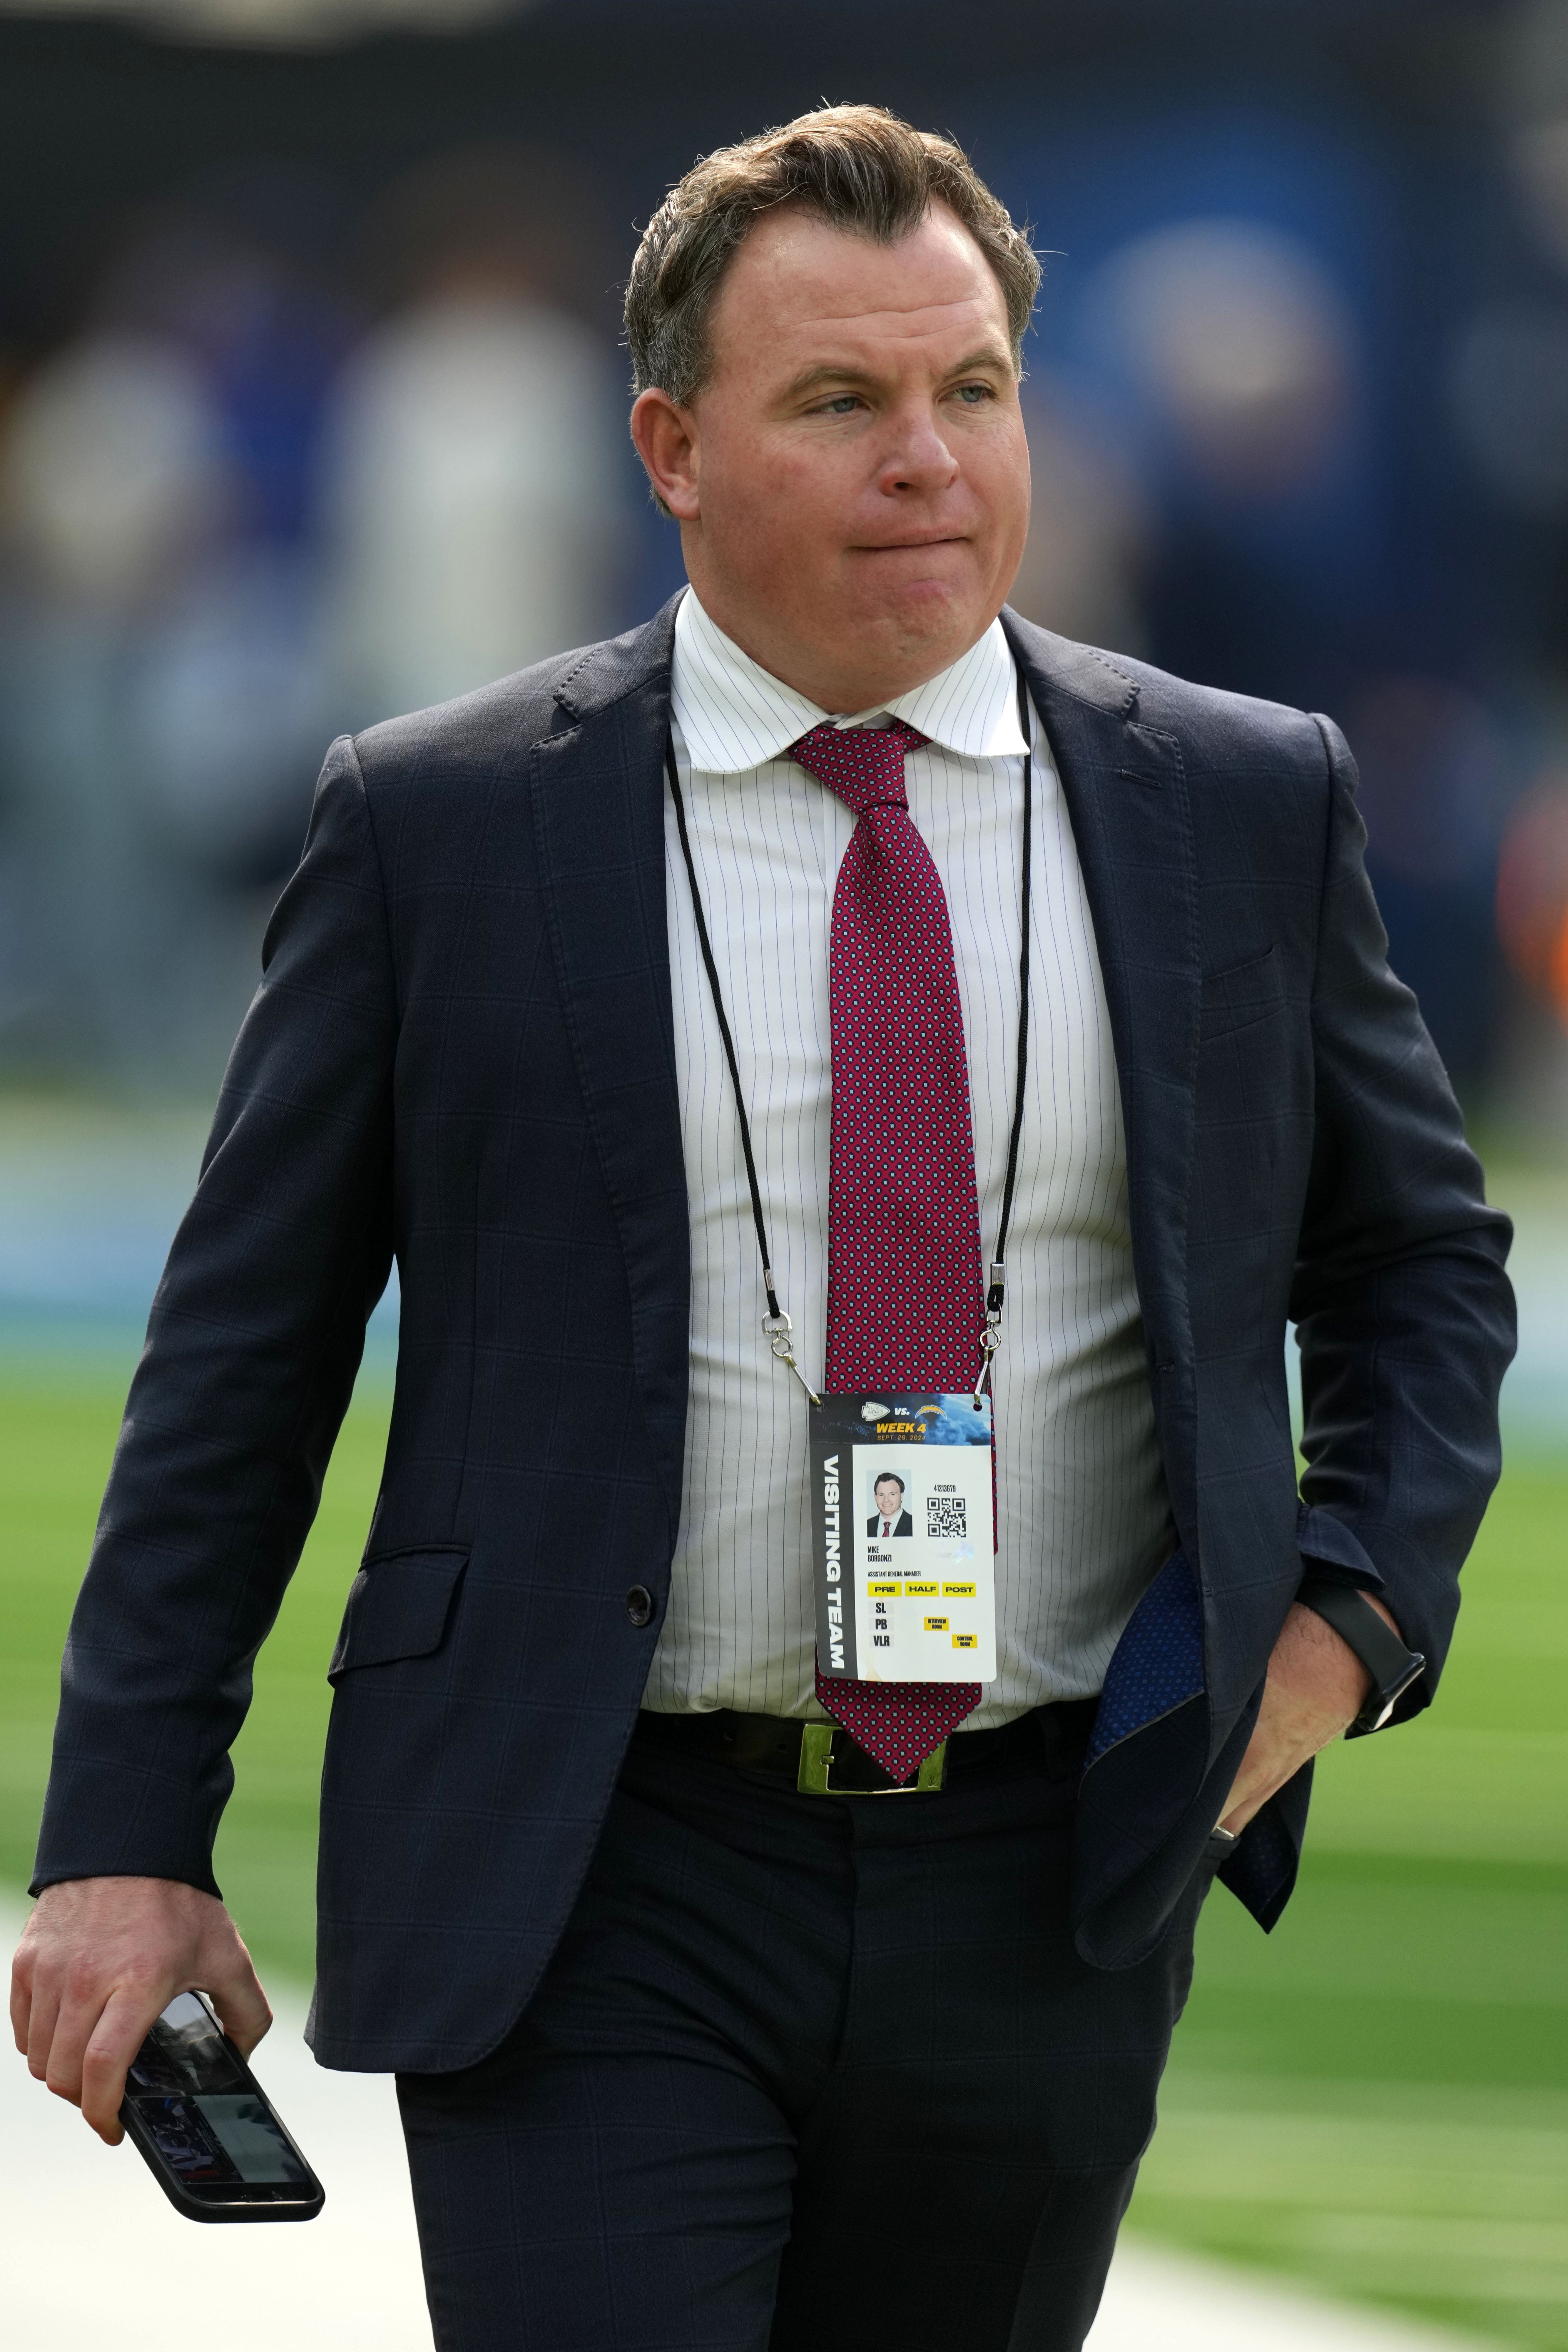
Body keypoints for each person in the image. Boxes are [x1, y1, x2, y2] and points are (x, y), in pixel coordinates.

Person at [12, 106, 1514, 2352]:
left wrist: (1345, 1622)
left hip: (1048, 1864)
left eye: (970, 387)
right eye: (836, 399)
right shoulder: (443, 826)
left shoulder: (1234, 798)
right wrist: (125, 1835)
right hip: (590, 1859)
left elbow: (1412, 1262)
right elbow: (245, 1358)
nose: (924, 457)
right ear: (671, 448)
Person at [868, 1472, 912, 1537]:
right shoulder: (867, 1526)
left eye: (892, 1495)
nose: (886, 1500)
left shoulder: (914, 1524)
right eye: (882, 1495)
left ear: (902, 1497)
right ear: (876, 1498)